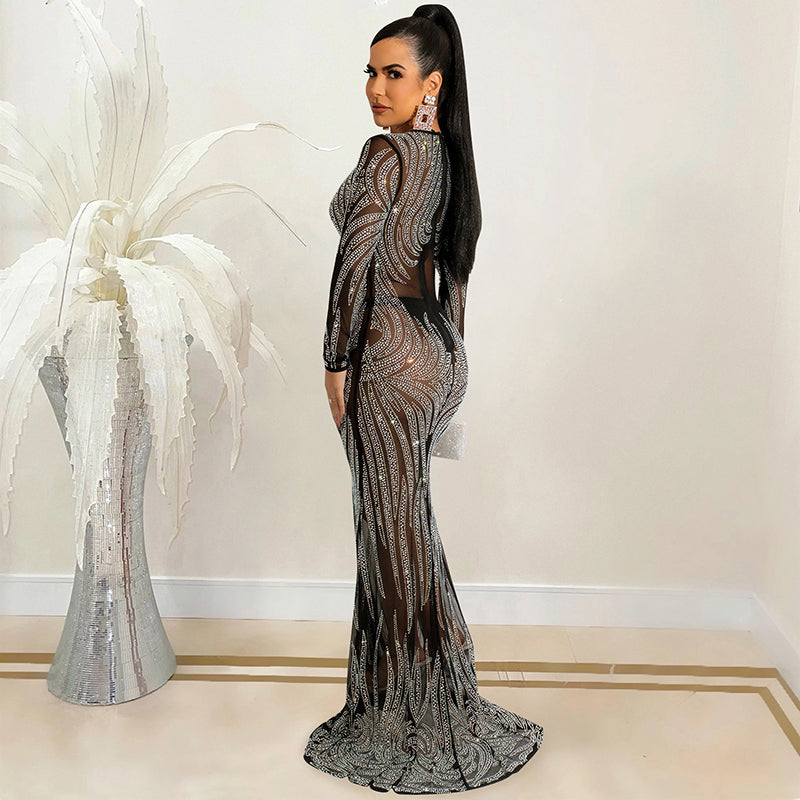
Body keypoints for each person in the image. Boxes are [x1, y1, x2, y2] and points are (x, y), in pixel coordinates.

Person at [304, 5, 544, 793]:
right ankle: (431, 693)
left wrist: (336, 360)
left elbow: (356, 263)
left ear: (430, 85)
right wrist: (448, 367)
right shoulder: (451, 161)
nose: (376, 88)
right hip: (438, 352)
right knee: (409, 526)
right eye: (370, 73)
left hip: (385, 353)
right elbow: (455, 274)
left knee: (390, 535)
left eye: (394, 74)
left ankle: (415, 715)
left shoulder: (386, 153)